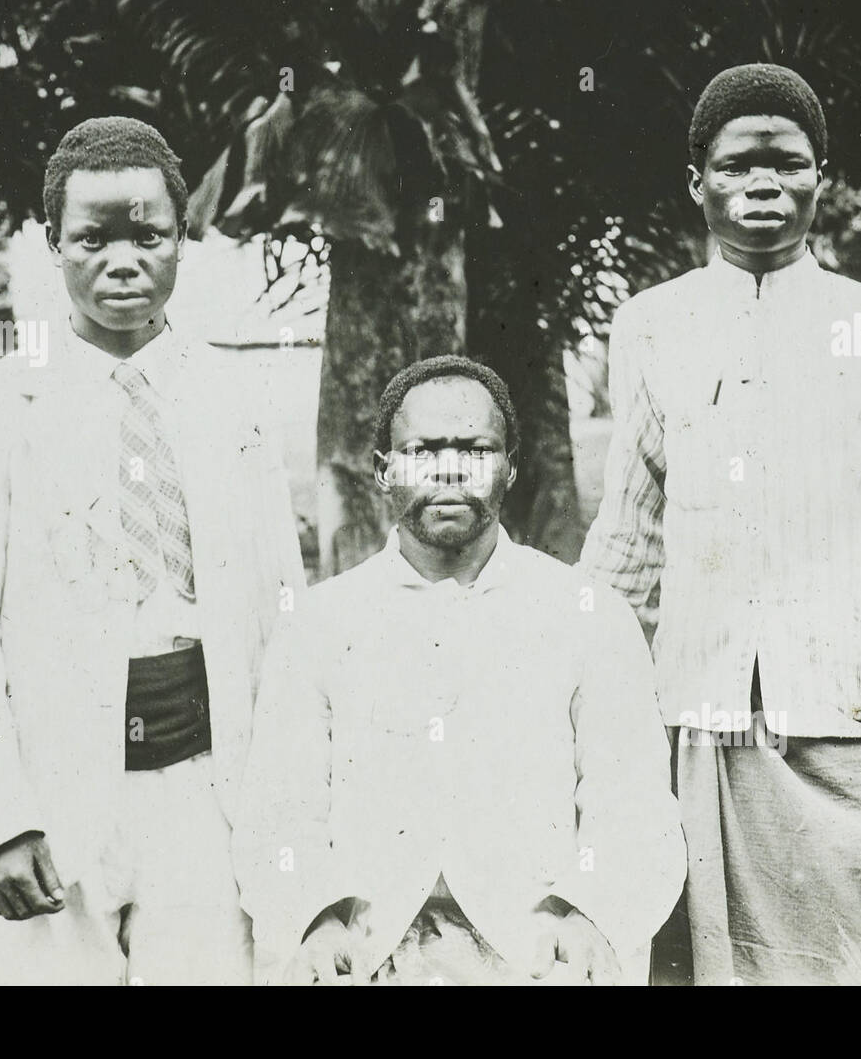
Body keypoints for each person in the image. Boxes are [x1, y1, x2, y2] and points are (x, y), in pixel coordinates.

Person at [579, 64, 861, 985]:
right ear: (696, 180)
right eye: (737, 164)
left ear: (820, 179)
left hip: (853, 746)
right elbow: (628, 541)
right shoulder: (649, 327)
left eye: (788, 164)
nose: (763, 183)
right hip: (700, 733)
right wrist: (574, 709)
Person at [0, 116, 304, 985]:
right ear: (52, 242)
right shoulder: (0, 409)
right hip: (54, 797)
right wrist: (0, 819)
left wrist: (283, 801)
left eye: (149, 235)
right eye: (93, 239)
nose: (122, 261)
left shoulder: (233, 401)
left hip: (208, 789)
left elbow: (283, 607)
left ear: (182, 241)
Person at [233, 355, 685, 986]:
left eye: (475, 449)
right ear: (382, 470)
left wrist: (589, 916)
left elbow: (632, 806)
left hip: (535, 948)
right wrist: (316, 920)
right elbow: (281, 807)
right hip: (368, 947)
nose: (449, 468)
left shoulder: (587, 615)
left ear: (512, 467)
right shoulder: (319, 624)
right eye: (422, 450)